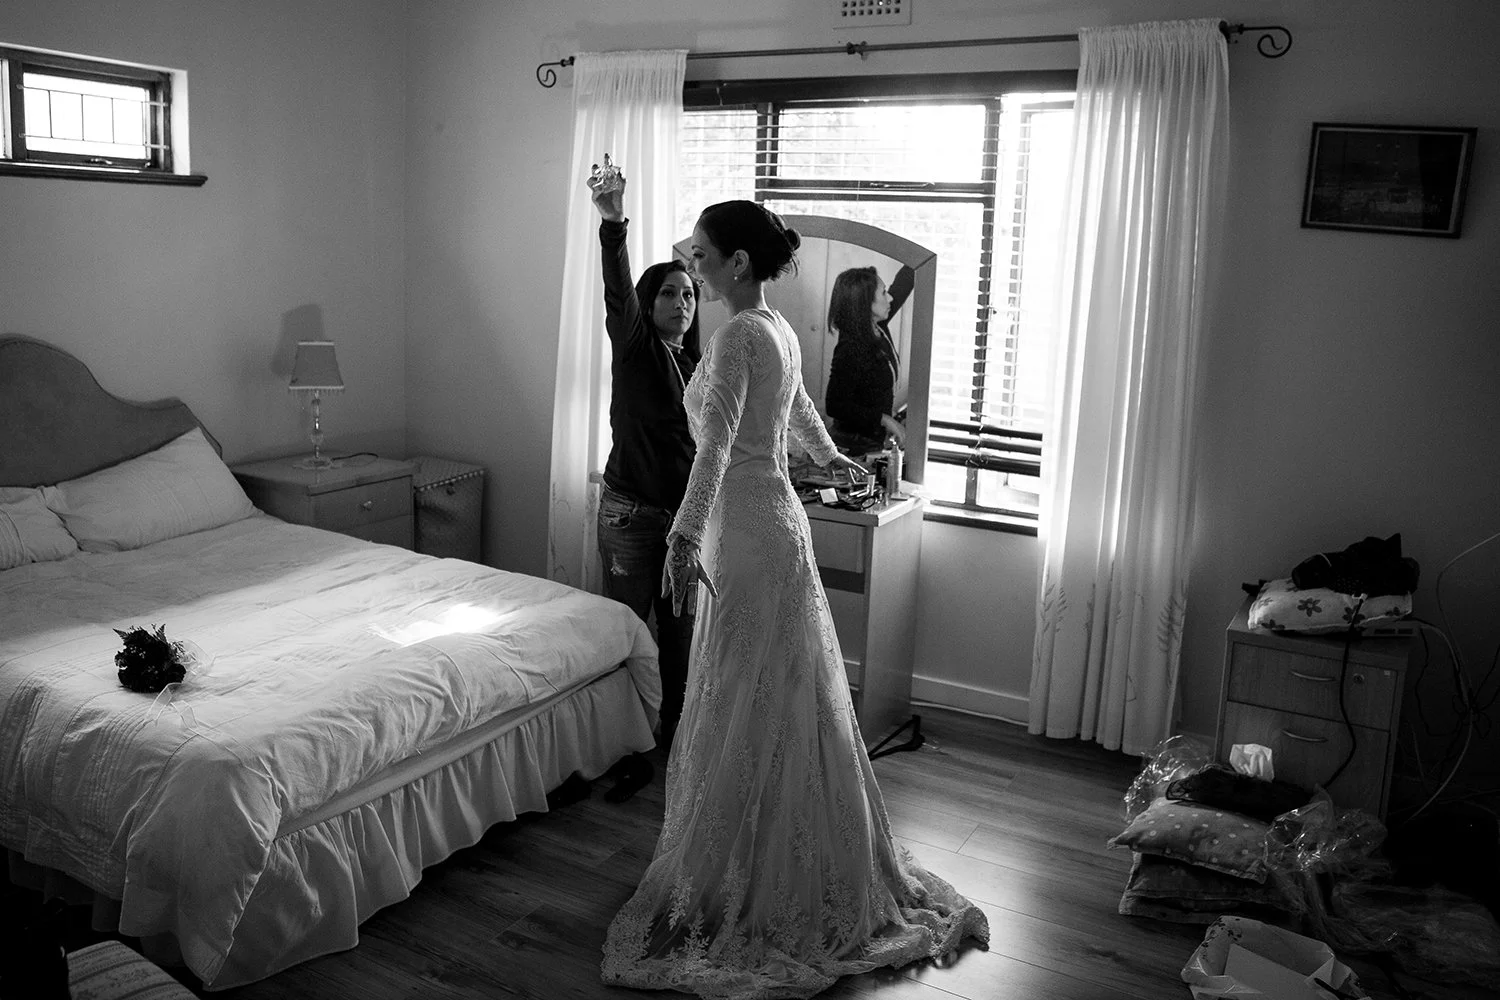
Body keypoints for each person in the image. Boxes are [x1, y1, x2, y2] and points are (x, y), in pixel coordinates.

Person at [601, 200, 989, 999]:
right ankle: (791, 843)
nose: (696, 268)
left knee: (745, 685)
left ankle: (752, 867)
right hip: (773, 520)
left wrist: (680, 537)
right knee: (780, 687)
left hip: (745, 528)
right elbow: (801, 414)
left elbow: (715, 447)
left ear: (738, 263)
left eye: (703, 255)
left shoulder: (741, 333)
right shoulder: (773, 328)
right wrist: (835, 462)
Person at [587, 156, 700, 754]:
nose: (680, 302)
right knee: (627, 635)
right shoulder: (636, 347)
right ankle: (621, 741)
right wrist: (613, 222)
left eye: (689, 294)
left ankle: (674, 738)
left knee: (679, 637)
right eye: (668, 292)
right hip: (630, 517)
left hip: (682, 525)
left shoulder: (701, 367)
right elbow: (616, 289)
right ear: (648, 300)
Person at [824, 263, 915, 456]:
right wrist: (884, 419)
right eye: (883, 293)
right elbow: (835, 405)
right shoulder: (850, 346)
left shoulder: (878, 325)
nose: (889, 297)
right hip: (852, 446)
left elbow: (904, 283)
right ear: (865, 304)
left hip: (872, 441)